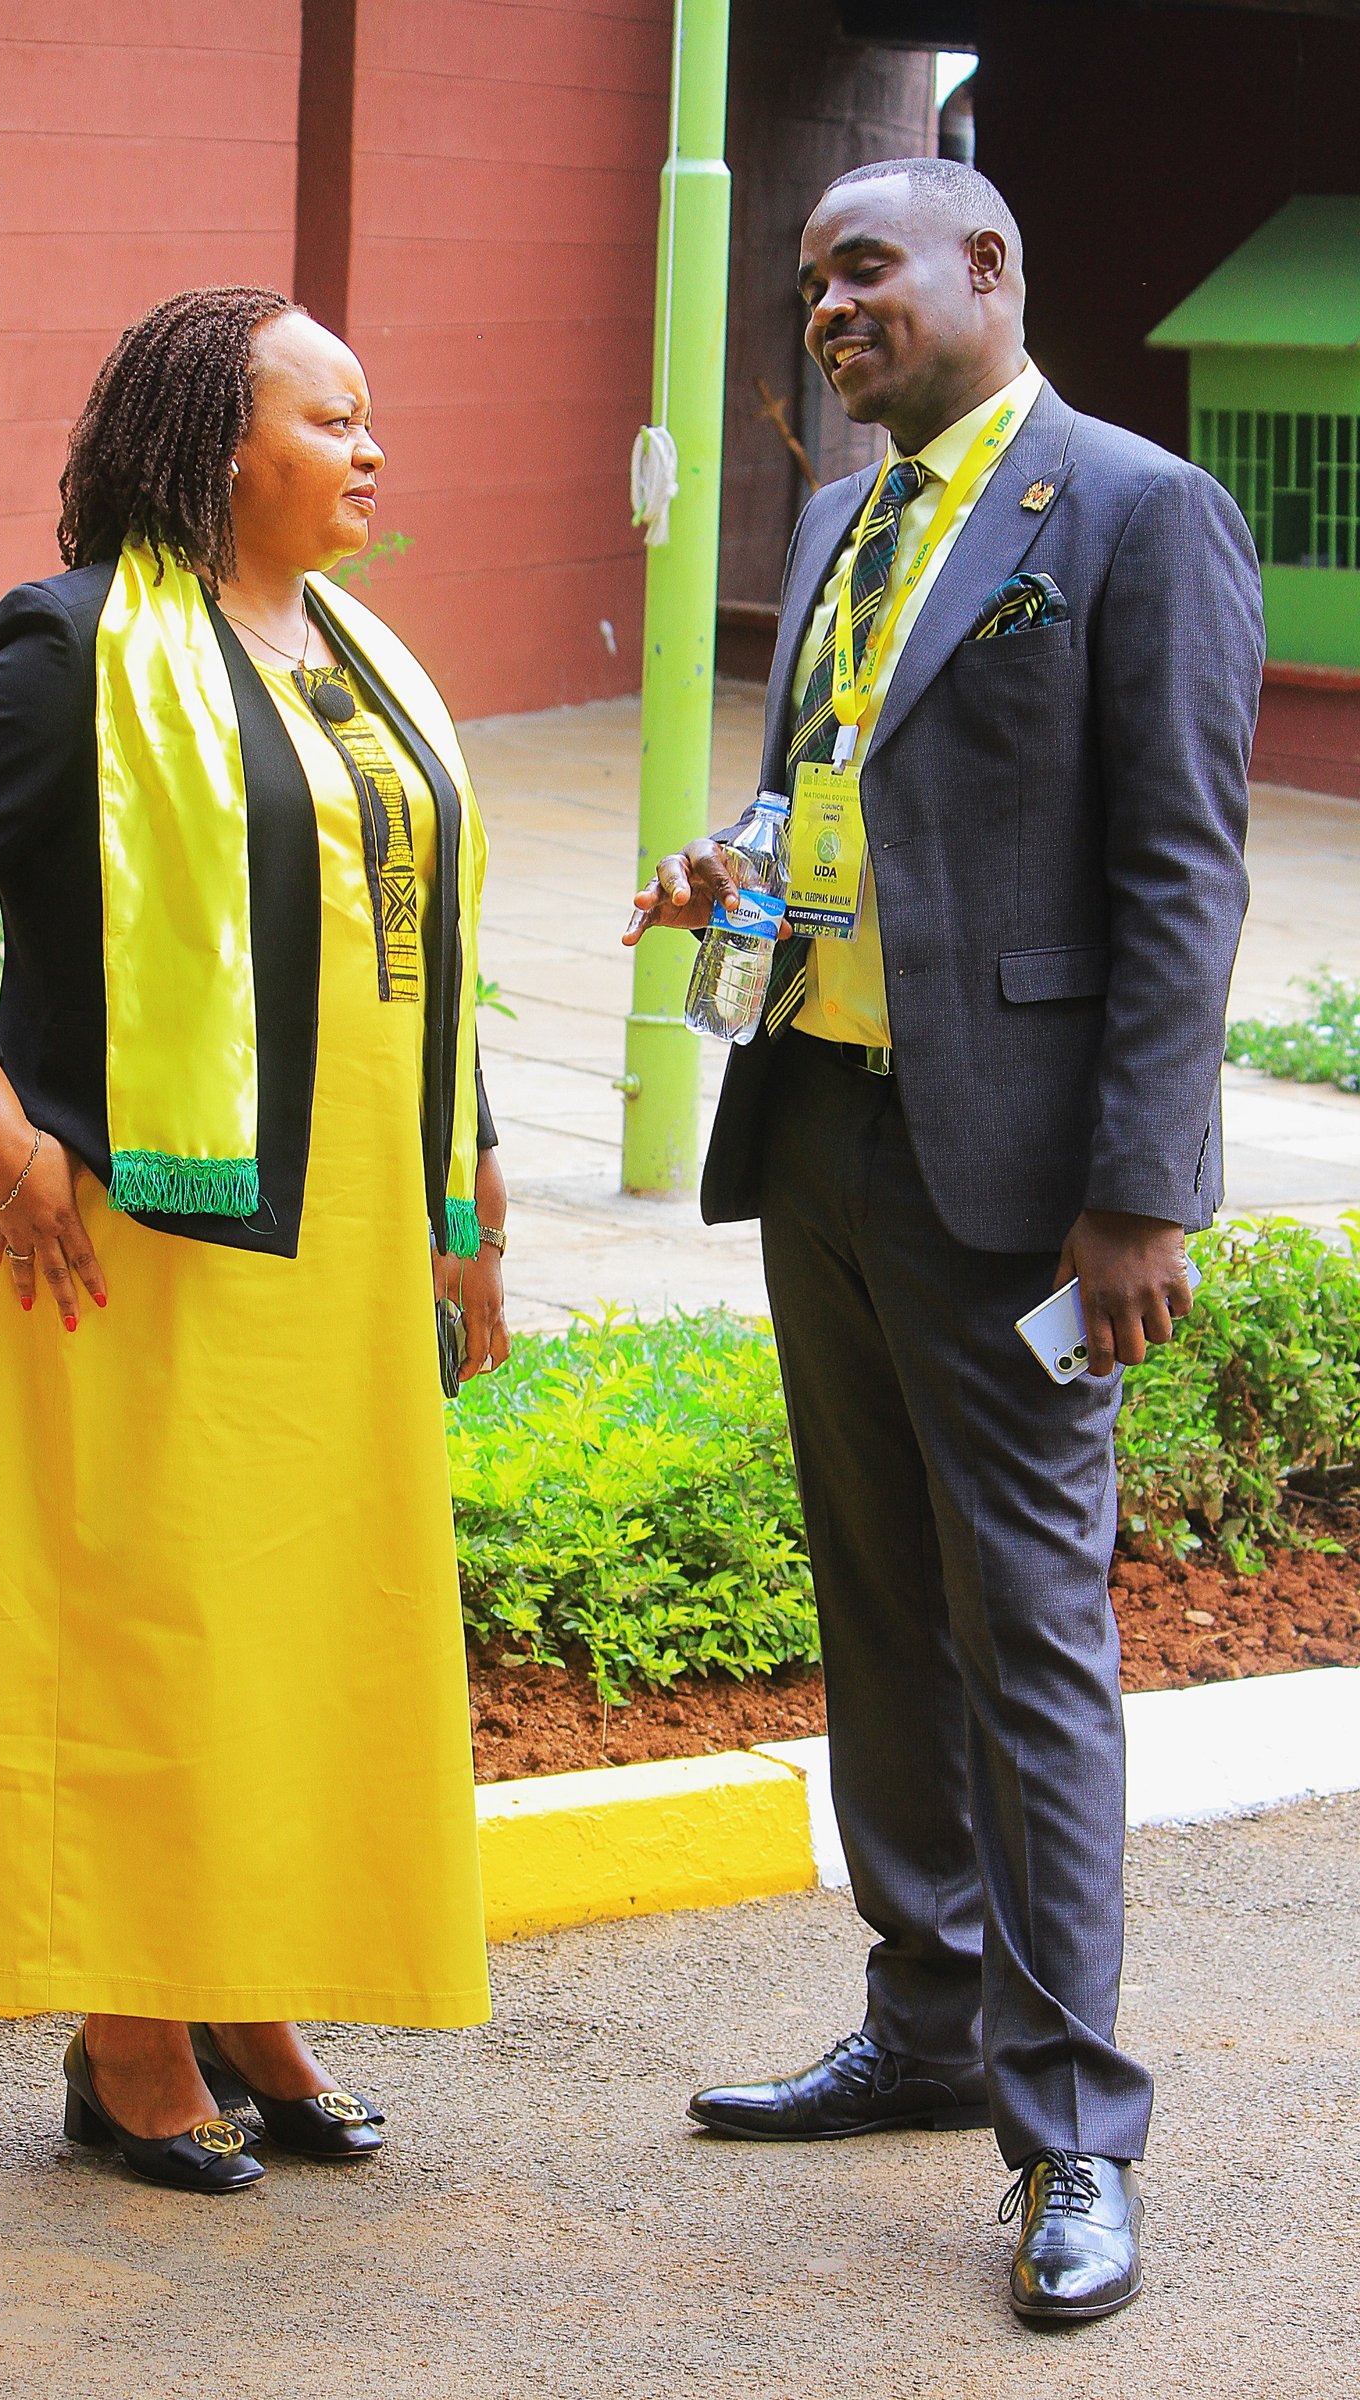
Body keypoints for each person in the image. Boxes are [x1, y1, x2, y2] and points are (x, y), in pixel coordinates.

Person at [625, 160, 1260, 2322]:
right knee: (879, 1606)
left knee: (1029, 1644)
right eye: (810, 282)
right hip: (817, 1130)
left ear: (988, 266)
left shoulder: (1130, 510)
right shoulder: (835, 521)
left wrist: (1138, 1194)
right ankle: (919, 2024)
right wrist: (731, 862)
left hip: (1017, 1182)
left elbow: (1177, 872)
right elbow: (832, 781)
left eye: (862, 267)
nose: (828, 308)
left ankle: (1071, 2128)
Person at [0, 288, 511, 2193]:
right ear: (225, 446)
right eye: (332, 419)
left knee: (308, 1629)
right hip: (142, 1239)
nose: (371, 450)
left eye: (372, 419)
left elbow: (414, 944)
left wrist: (466, 1202)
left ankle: (247, 1988)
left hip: (353, 1242)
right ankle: (128, 2033)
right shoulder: (76, 644)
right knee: (157, 1626)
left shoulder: (367, 661)